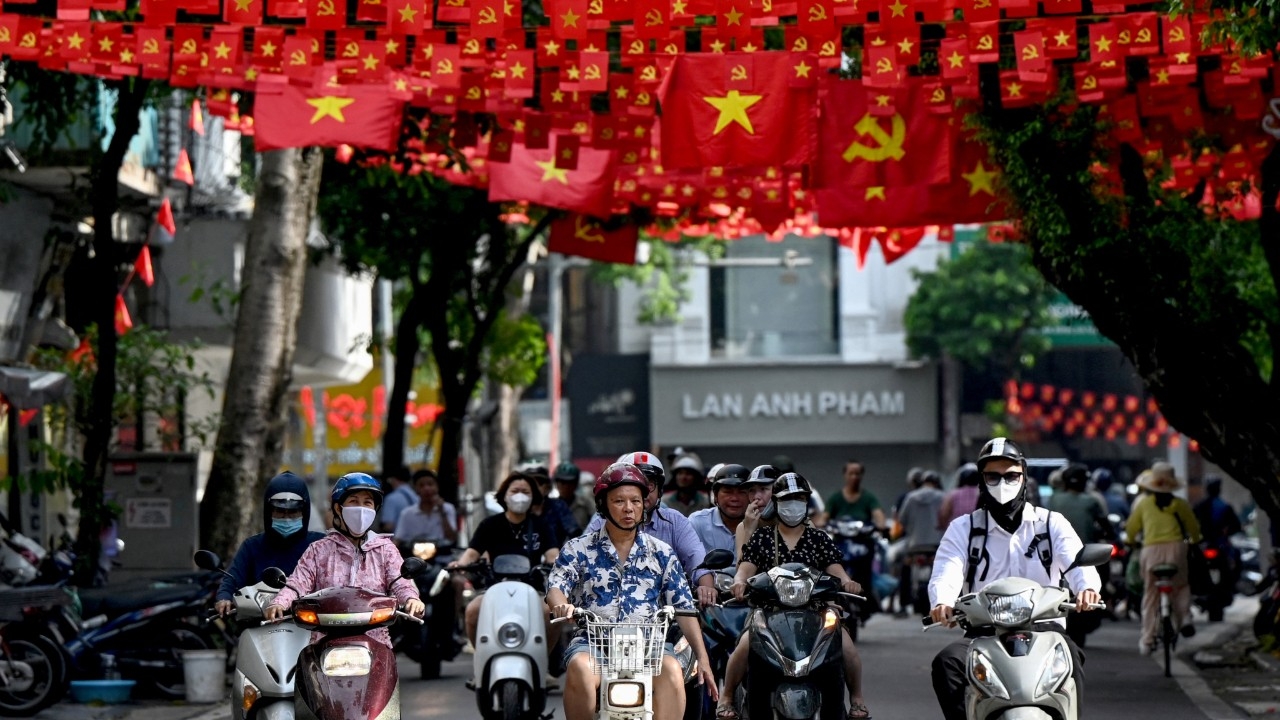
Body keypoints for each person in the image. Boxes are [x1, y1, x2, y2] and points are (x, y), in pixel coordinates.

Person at [928, 438, 1102, 720]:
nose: (1003, 484)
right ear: (982, 480)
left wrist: (1088, 588)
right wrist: (942, 602)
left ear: (1024, 478)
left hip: (1045, 630)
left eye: (1011, 476)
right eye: (993, 476)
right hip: (983, 633)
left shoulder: (1051, 523)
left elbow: (1076, 561)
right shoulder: (963, 528)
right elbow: (947, 570)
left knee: (1071, 656)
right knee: (947, 662)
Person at [549, 463, 718, 720]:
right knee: (580, 668)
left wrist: (703, 658)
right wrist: (563, 605)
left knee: (672, 670)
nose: (628, 508)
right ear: (603, 505)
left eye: (636, 501)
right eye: (619, 501)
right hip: (593, 644)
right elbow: (557, 587)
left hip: (650, 647)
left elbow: (684, 608)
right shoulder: (577, 548)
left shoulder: (662, 552)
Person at [718, 473, 870, 720]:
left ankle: (857, 699)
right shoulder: (762, 537)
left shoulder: (818, 538)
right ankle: (726, 697)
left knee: (847, 647)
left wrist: (847, 582)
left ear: (806, 502)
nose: (793, 505)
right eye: (787, 499)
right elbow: (746, 567)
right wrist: (739, 582)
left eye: (799, 499)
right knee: (744, 646)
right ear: (776, 503)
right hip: (768, 612)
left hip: (817, 611)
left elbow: (835, 568)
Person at [264, 473, 425, 643]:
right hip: (324, 642)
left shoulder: (385, 549)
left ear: (375, 509)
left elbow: (401, 583)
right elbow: (298, 583)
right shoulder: (318, 550)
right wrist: (279, 603)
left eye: (367, 503)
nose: (361, 509)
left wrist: (412, 599)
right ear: (338, 508)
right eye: (354, 501)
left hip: (375, 642)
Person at [586, 452, 717, 606]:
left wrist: (706, 587)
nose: (644, 492)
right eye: (636, 485)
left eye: (649, 484)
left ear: (660, 490)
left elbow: (696, 558)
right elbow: (579, 562)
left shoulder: (675, 522)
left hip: (666, 611)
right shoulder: (601, 523)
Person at [449, 471, 561, 646]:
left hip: (533, 589)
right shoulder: (490, 524)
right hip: (494, 587)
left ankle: (543, 659)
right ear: (504, 495)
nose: (520, 496)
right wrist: (460, 564)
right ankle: (482, 658)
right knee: (472, 610)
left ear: (533, 497)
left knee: (551, 613)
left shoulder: (541, 525)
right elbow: (472, 553)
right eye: (515, 491)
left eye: (525, 492)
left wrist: (556, 564)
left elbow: (553, 554)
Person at [215, 472, 327, 617]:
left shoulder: (320, 545)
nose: (286, 518)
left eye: (293, 512)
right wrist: (224, 597)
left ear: (304, 512)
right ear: (269, 512)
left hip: (309, 623)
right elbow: (233, 578)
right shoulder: (252, 546)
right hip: (259, 623)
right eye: (280, 511)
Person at [1126, 462, 1202, 652]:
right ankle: (1185, 618)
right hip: (1177, 550)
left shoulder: (1143, 504)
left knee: (1151, 594)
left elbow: (1131, 528)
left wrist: (1130, 541)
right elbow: (1194, 528)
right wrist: (1194, 540)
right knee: (1181, 585)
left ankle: (1148, 639)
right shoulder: (1181, 504)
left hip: (1151, 552)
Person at [894, 469, 946, 616]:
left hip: (914, 545)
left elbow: (902, 520)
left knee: (904, 568)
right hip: (936, 544)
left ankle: (903, 605)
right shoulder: (943, 497)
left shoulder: (911, 497)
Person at [1195, 475, 1243, 620]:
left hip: (1211, 545)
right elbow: (1236, 526)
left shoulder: (1200, 507)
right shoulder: (1224, 506)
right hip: (1213, 546)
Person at [689, 464, 752, 555]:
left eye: (742, 492)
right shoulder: (697, 522)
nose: (734, 498)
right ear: (715, 495)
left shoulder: (761, 525)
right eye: (728, 492)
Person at [393, 469, 458, 545]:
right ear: (415, 489)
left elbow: (452, 537)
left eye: (430, 484)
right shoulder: (407, 513)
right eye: (421, 485)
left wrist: (442, 511)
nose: (426, 489)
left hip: (442, 550)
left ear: (437, 487)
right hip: (414, 550)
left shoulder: (448, 508)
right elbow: (398, 538)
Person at [820, 460, 885, 530]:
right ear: (844, 475)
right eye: (850, 473)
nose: (854, 477)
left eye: (857, 474)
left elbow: (879, 517)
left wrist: (880, 525)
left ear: (861, 476)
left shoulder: (869, 498)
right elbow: (823, 518)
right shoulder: (835, 498)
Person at [530, 466, 582, 546]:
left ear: (548, 486)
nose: (535, 487)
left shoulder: (558, 506)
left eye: (540, 482)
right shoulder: (519, 508)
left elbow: (574, 532)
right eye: (531, 483)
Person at [735, 464, 779, 559]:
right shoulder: (743, 527)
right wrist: (749, 531)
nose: (756, 497)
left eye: (763, 489)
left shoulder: (799, 523)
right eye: (752, 491)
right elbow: (740, 566)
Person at [554, 461, 596, 530]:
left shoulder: (585, 503)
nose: (566, 487)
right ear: (556, 483)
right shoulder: (551, 506)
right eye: (562, 482)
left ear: (576, 484)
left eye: (570, 483)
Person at [938, 463, 981, 528]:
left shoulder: (953, 494)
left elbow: (944, 514)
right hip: (978, 530)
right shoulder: (982, 493)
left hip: (957, 530)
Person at [378, 465, 418, 534]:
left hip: (398, 539)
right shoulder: (417, 497)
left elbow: (388, 526)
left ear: (393, 479)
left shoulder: (391, 498)